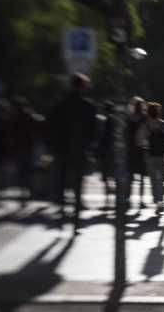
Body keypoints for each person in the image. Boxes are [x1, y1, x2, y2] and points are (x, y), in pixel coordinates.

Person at [48, 73, 97, 232]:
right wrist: (89, 148)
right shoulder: (88, 106)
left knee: (61, 183)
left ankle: (62, 217)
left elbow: (51, 128)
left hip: (62, 151)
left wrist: (53, 148)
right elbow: (93, 131)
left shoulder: (60, 104)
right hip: (80, 151)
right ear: (83, 86)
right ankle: (75, 221)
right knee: (77, 186)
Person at [143, 102, 164, 214]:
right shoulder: (163, 124)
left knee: (153, 180)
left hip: (150, 154)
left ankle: (157, 201)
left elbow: (141, 139)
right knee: (161, 180)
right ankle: (161, 201)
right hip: (161, 154)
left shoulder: (146, 124)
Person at [126, 97, 147, 209]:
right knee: (142, 177)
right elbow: (145, 134)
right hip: (140, 149)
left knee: (130, 176)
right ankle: (141, 200)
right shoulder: (144, 119)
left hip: (131, 149)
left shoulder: (129, 118)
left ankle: (128, 199)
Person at [97, 101, 116, 208]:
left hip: (106, 153)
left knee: (107, 179)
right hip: (112, 152)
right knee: (111, 178)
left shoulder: (105, 122)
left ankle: (107, 201)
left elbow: (102, 138)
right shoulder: (114, 121)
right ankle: (110, 201)